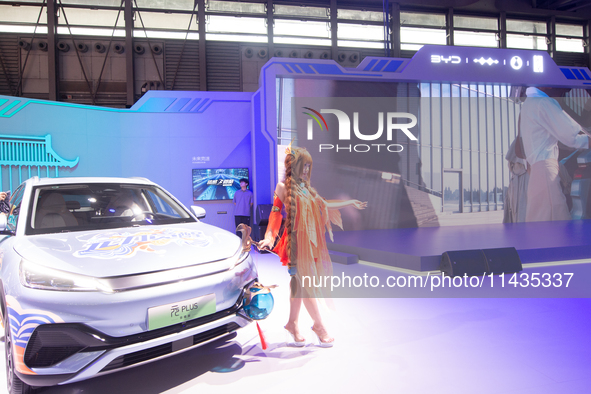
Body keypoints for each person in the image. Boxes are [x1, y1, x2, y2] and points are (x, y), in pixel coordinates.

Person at [259, 146, 367, 347]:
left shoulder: (308, 189)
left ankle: (292, 324)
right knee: (304, 285)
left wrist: (349, 202)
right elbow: (275, 213)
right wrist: (269, 237)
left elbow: (325, 204)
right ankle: (319, 326)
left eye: (309, 166)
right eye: (303, 165)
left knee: (298, 286)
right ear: (294, 165)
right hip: (295, 246)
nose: (307, 170)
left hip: (311, 245)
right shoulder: (283, 187)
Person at [520, 86, 590, 222]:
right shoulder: (545, 103)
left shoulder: (529, 104)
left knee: (540, 219)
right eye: (563, 88)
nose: (564, 91)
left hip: (536, 170)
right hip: (546, 170)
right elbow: (570, 136)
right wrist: (588, 140)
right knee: (557, 219)